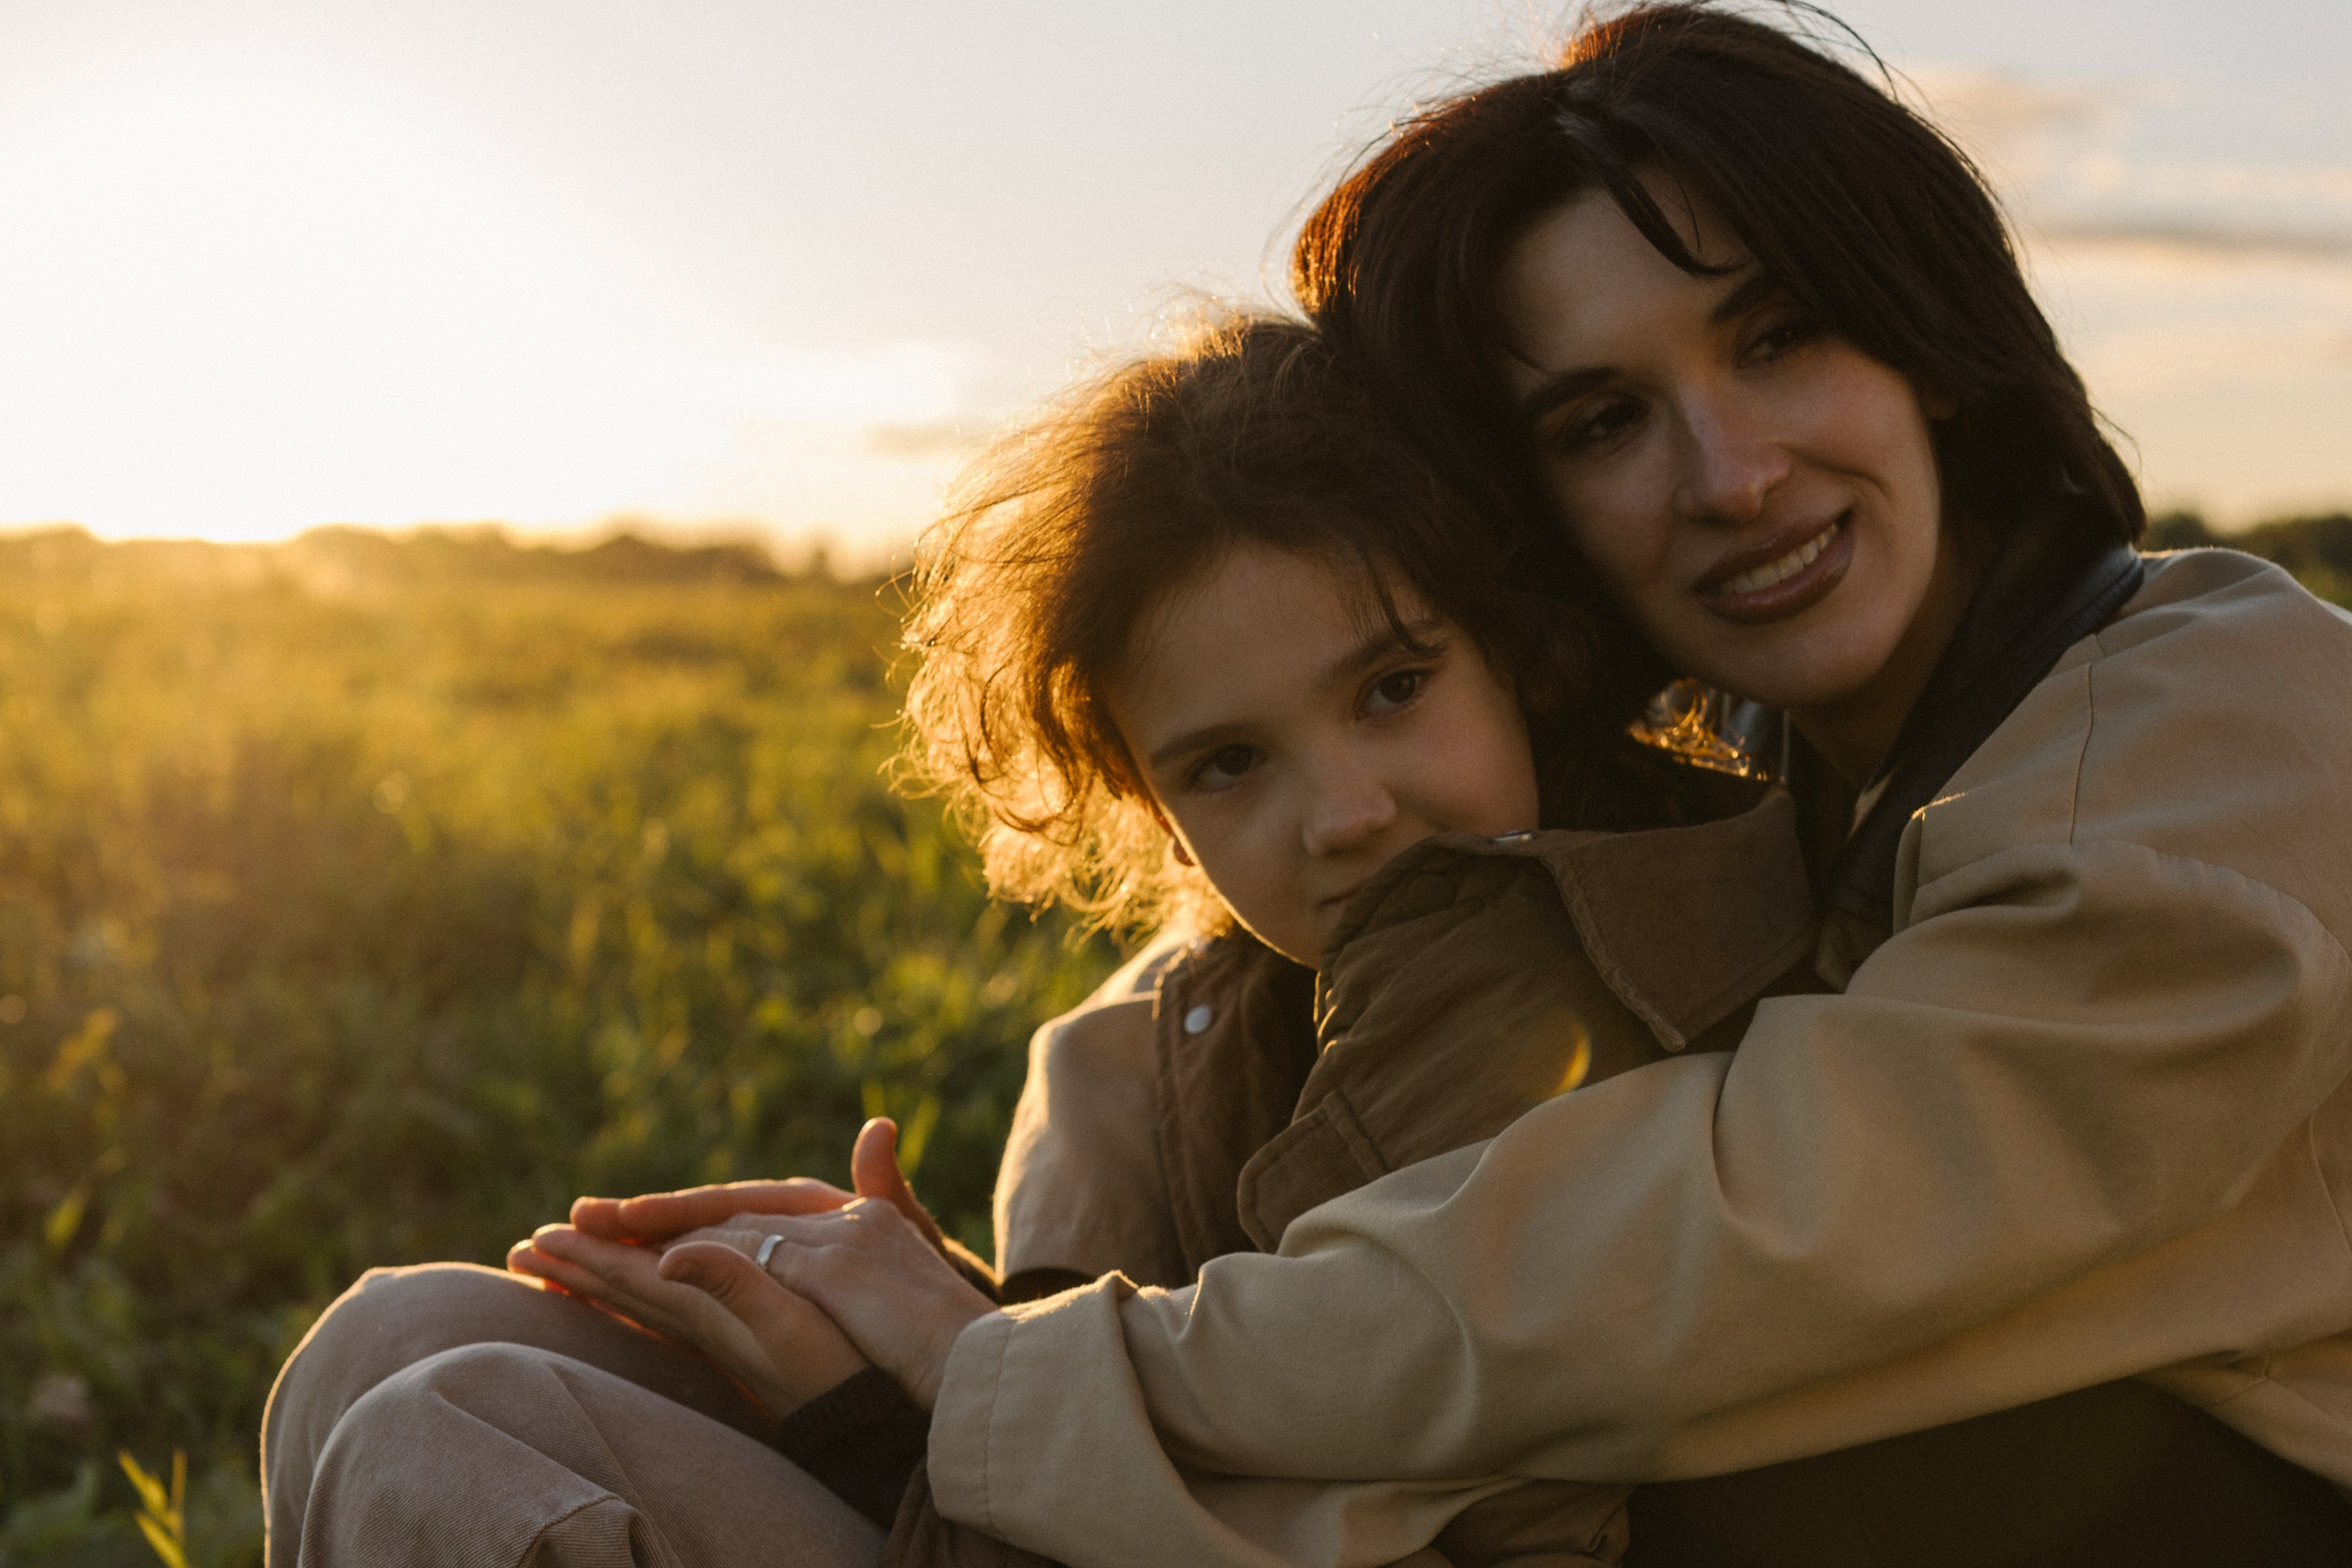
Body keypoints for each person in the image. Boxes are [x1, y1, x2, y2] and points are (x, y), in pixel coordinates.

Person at [618, 7, 2352, 1567]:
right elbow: (1191, 981)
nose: (1732, 475)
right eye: (1601, 421)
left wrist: (997, 1366)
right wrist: (1039, 1261)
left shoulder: (2199, 743)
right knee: (442, 1351)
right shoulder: (1799, 739)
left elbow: (1667, 1266)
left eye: (1781, 336)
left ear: (1932, 334)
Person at [258, 312, 1814, 1565]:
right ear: (1149, 794)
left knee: (429, 1433)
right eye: (1230, 762)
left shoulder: (1536, 1000)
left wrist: (883, 1409)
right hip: (1051, 1494)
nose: (1342, 808)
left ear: (1516, 650)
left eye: (1393, 686)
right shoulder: (1264, 983)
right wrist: (955, 1318)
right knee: (391, 1334)